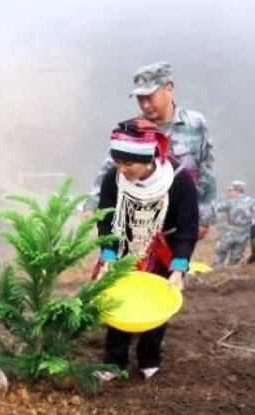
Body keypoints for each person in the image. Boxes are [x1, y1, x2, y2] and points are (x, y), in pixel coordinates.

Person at [95, 118, 199, 381]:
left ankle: (149, 358)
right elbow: (106, 218)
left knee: (157, 299)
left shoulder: (179, 180)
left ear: (149, 158)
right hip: (125, 243)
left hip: (163, 247)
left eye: (128, 163)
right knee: (120, 298)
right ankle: (114, 360)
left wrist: (179, 267)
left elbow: (188, 227)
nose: (122, 169)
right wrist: (107, 254)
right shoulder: (113, 178)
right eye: (118, 162)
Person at [83, 62, 215, 239]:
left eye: (150, 97)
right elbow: (110, 168)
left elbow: (206, 169)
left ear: (169, 89)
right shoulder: (132, 129)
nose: (145, 105)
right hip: (139, 218)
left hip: (180, 218)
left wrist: (203, 217)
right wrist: (93, 205)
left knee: (176, 264)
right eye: (140, 99)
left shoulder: (195, 123)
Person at [212, 181, 254, 268]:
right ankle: (231, 276)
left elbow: (216, 209)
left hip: (230, 233)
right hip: (244, 234)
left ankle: (215, 273)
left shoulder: (230, 202)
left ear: (237, 190)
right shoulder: (252, 201)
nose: (229, 192)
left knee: (220, 255)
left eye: (230, 190)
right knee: (236, 259)